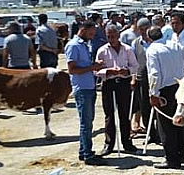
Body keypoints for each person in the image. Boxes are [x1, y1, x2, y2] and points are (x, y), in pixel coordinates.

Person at [146, 26, 184, 169]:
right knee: (180, 121)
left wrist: (153, 94)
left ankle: (172, 158)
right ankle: (182, 153)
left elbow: (154, 74)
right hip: (179, 86)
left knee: (166, 126)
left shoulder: (152, 50)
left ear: (149, 38)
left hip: (165, 90)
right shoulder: (174, 45)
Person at [95, 24, 139, 155]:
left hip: (123, 83)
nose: (111, 39)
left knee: (124, 115)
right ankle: (109, 144)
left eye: (113, 36)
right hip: (109, 84)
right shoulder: (102, 50)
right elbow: (96, 70)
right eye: (109, 37)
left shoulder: (127, 49)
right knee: (109, 115)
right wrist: (108, 71)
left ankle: (127, 143)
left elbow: (135, 66)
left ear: (118, 35)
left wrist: (126, 71)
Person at [65, 21, 105, 164]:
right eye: (91, 33)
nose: (92, 36)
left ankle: (84, 151)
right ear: (83, 30)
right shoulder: (73, 45)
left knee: (88, 121)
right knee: (86, 123)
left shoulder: (83, 44)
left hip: (89, 86)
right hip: (82, 88)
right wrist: (92, 68)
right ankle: (88, 154)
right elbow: (72, 69)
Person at [131, 18, 159, 143]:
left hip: (157, 79)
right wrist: (133, 78)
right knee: (144, 107)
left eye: (145, 29)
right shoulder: (136, 43)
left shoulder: (157, 43)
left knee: (158, 106)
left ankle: (160, 133)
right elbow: (133, 62)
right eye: (140, 30)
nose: (143, 32)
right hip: (142, 79)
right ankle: (150, 133)